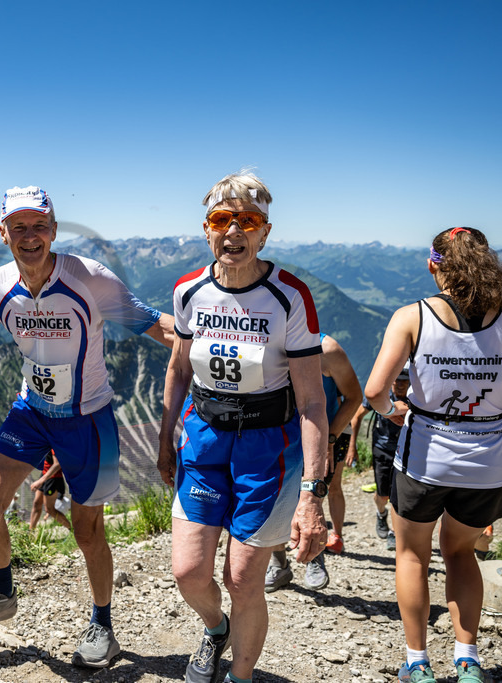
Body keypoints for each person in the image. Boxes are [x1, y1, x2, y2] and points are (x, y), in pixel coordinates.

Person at [0, 185, 174, 668]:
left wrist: (214, 341)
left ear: (53, 229)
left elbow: (157, 325)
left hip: (88, 418)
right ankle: (2, 593)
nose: (31, 237)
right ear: (3, 232)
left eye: (40, 226)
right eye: (20, 227)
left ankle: (103, 626)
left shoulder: (89, 279)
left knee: (87, 531)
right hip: (30, 411)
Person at [158, 171, 329, 683]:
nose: (234, 231)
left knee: (242, 577)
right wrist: (166, 439)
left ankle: (242, 675)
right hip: (203, 436)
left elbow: (313, 402)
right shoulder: (189, 291)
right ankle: (216, 630)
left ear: (265, 232)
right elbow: (179, 369)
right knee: (189, 572)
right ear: (206, 230)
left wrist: (312, 494)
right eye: (221, 220)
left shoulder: (290, 297)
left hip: (268, 447)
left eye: (248, 221)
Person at [363, 227, 502, 683]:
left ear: (433, 265)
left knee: (412, 556)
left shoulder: (412, 317)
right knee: (462, 554)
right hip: (488, 460)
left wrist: (394, 411)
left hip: (426, 455)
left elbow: (373, 390)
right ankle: (467, 662)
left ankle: (418, 666)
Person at [265, 333, 361, 592]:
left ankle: (313, 557)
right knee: (275, 501)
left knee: (308, 498)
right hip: (279, 435)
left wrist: (330, 438)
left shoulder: (326, 349)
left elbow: (354, 397)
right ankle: (279, 562)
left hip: (323, 436)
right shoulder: (265, 341)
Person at [346, 365, 411, 551]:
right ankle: (381, 514)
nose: (400, 385)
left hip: (407, 451)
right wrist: (352, 448)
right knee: (383, 495)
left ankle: (395, 533)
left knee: (400, 495)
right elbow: (356, 417)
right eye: (397, 380)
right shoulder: (380, 395)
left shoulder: (416, 397)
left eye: (404, 381)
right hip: (382, 449)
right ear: (391, 381)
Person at [29, 451, 72, 531]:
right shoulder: (45, 441)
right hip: (45, 474)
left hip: (53, 478)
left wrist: (40, 481)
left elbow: (57, 464)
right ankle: (30, 532)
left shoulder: (54, 440)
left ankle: (72, 530)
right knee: (36, 503)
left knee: (49, 509)